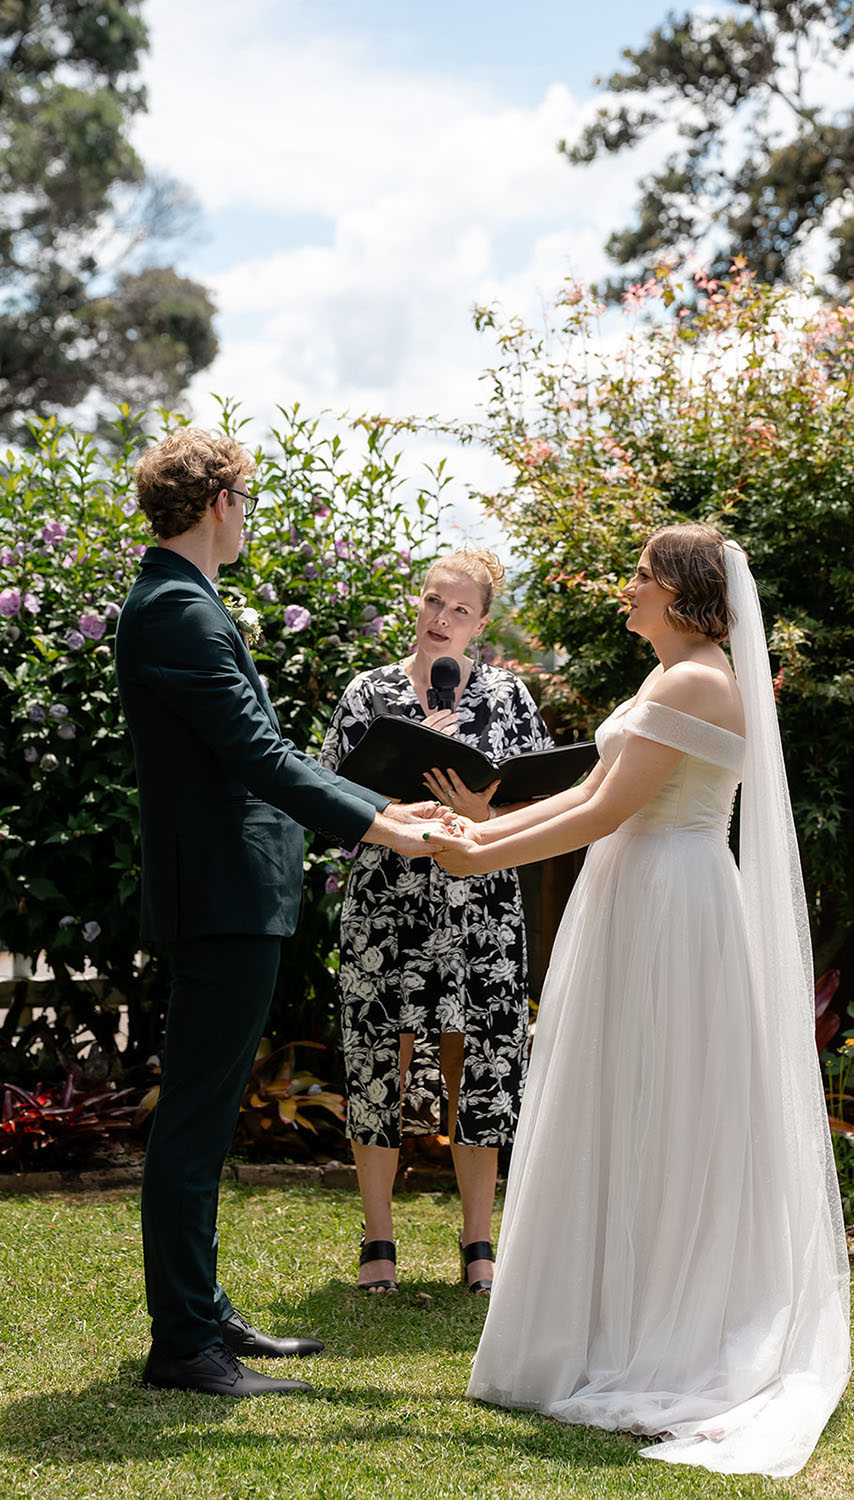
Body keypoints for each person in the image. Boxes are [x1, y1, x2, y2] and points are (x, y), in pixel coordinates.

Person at [434, 523, 851, 1478]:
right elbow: (591, 787)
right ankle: (609, 1315)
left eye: (640, 576)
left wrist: (476, 857)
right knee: (624, 1099)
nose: (627, 590)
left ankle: (663, 1328)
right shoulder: (671, 680)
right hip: (643, 891)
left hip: (671, 901)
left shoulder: (699, 679)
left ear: (682, 591)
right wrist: (484, 823)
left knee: (661, 1102)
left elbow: (605, 813)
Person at [114, 428, 457, 1398]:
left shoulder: (187, 605)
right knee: (192, 1123)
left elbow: (263, 749)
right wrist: (395, 835)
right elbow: (259, 761)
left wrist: (389, 809)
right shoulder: (178, 611)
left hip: (232, 894)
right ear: (218, 502)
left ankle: (202, 1308)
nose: (249, 516)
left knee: (207, 1117)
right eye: (247, 499)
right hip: (221, 897)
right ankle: (182, 1345)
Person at [320, 548, 553, 1295]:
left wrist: (487, 814)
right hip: (386, 908)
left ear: (481, 625)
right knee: (377, 1061)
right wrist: (404, 758)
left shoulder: (510, 699)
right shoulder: (369, 692)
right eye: (431, 603)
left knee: (477, 1062)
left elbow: (542, 800)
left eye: (459, 610)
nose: (440, 620)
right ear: (415, 606)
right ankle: (378, 1239)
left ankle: (478, 1242)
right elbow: (329, 800)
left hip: (479, 911)